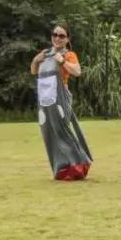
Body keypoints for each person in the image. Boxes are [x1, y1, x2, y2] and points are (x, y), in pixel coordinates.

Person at [30, 24, 93, 180]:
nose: (57, 38)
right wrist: (35, 60)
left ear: (67, 39)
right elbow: (34, 71)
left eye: (61, 36)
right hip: (45, 100)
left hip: (61, 98)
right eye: (55, 34)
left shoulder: (68, 54)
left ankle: (78, 165)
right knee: (49, 133)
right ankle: (62, 168)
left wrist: (62, 61)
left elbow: (77, 71)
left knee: (62, 131)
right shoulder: (45, 54)